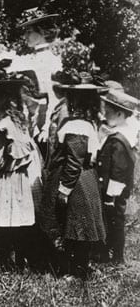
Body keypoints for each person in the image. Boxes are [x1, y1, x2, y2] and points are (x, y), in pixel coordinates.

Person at [0, 54, 43, 269]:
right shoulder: (19, 122)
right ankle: (18, 260)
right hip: (19, 180)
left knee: (3, 221)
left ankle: (1, 261)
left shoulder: (3, 126)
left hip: (5, 180)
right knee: (17, 220)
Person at [39, 71, 106, 279]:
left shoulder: (77, 125)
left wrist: (64, 188)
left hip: (76, 182)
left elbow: (74, 160)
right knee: (74, 226)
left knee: (76, 227)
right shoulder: (86, 122)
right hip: (83, 179)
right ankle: (73, 267)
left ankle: (77, 270)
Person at [10, 8, 62, 158]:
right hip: (29, 118)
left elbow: (54, 96)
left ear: (42, 32)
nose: (25, 36)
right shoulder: (30, 58)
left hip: (44, 119)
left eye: (29, 31)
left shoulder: (50, 60)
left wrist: (46, 127)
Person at [97, 87, 139, 264]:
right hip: (110, 189)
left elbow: (118, 172)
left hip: (113, 191)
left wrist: (110, 196)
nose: (104, 113)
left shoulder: (120, 141)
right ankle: (107, 253)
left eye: (109, 111)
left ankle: (117, 257)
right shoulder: (116, 135)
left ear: (121, 114)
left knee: (115, 221)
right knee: (110, 221)